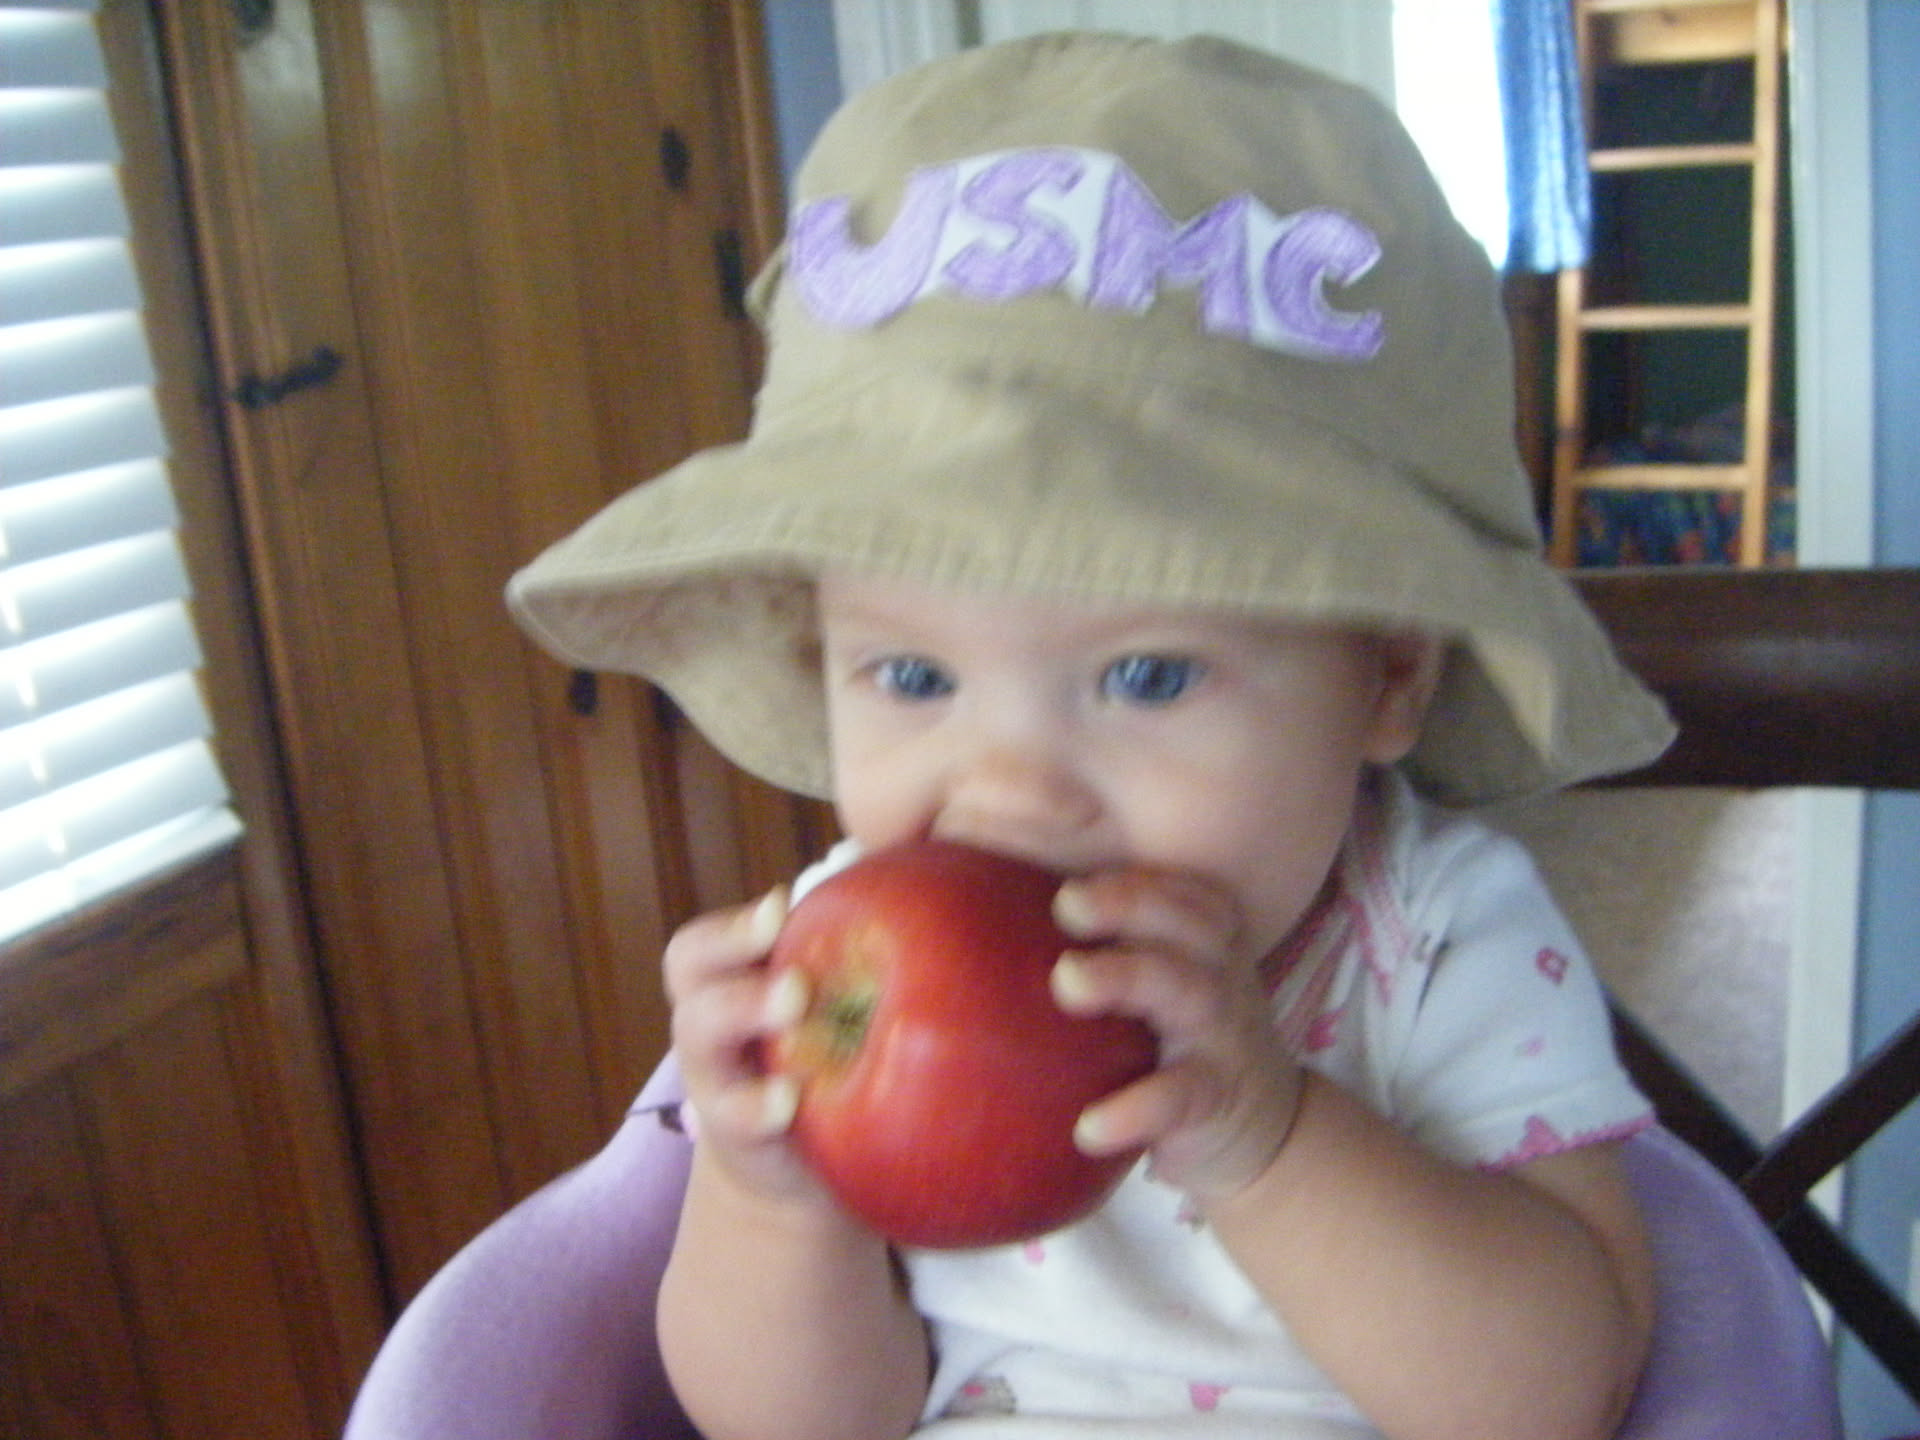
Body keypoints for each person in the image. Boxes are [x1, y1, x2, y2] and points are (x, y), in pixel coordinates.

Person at [507, 31, 1678, 1440]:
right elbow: (803, 1428)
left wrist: (1268, 1141)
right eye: (914, 675)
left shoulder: (1431, 943)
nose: (1008, 789)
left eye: (1147, 676)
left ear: (1387, 678)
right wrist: (773, 1202)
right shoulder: (829, 955)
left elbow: (1558, 1399)